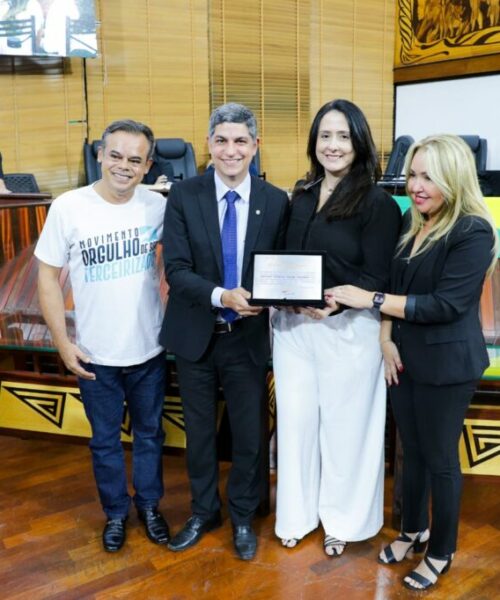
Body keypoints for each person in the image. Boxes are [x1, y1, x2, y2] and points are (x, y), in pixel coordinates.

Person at [327, 134, 498, 591]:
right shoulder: (410, 219)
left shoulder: (473, 231)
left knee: (440, 459)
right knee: (413, 454)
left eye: (428, 177)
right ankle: (412, 531)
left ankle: (441, 549)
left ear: (454, 178)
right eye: (414, 174)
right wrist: (384, 338)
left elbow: (445, 305)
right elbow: (394, 282)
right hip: (402, 358)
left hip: (447, 366)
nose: (416, 186)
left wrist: (371, 299)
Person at [272, 99, 401, 557]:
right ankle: (297, 515)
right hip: (292, 330)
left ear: (360, 142)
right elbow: (286, 261)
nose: (333, 145)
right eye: (325, 135)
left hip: (349, 331)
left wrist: (335, 305)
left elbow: (378, 276)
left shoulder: (378, 203)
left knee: (348, 430)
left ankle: (343, 521)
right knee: (297, 424)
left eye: (343, 136)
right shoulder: (301, 195)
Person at [161, 102, 289, 560]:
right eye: (221, 141)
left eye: (240, 141)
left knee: (249, 433)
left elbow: (282, 268)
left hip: (248, 337)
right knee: (199, 433)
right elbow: (176, 271)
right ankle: (203, 512)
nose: (230, 150)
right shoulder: (183, 195)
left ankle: (242, 517)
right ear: (208, 146)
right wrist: (222, 295)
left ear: (255, 146)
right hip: (196, 333)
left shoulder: (276, 200)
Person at [35, 119, 170, 553]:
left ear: (148, 166)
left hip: (149, 349)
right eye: (115, 155)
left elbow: (178, 265)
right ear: (100, 154)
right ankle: (115, 513)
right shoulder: (69, 207)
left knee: (150, 435)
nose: (124, 166)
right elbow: (47, 279)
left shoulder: (158, 206)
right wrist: (62, 341)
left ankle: (149, 506)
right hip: (94, 356)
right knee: (105, 442)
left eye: (135, 159)